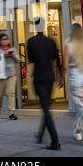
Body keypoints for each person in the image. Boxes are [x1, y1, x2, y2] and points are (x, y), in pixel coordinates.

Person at [27, 17, 61, 150]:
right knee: (45, 106)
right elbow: (57, 60)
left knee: (45, 108)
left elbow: (30, 59)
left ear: (36, 27)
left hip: (39, 78)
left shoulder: (31, 41)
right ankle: (40, 135)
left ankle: (55, 141)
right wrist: (60, 77)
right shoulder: (51, 42)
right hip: (49, 77)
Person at [60, 23, 83, 141]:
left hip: (75, 80)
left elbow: (64, 65)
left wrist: (61, 78)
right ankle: (81, 131)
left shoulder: (68, 45)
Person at [0, 33, 20, 120]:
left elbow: (18, 61)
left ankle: (11, 113)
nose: (5, 41)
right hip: (0, 75)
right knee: (0, 95)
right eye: (3, 39)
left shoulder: (13, 49)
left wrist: (13, 55)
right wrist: (2, 55)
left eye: (7, 39)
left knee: (11, 93)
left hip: (11, 74)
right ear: (0, 41)